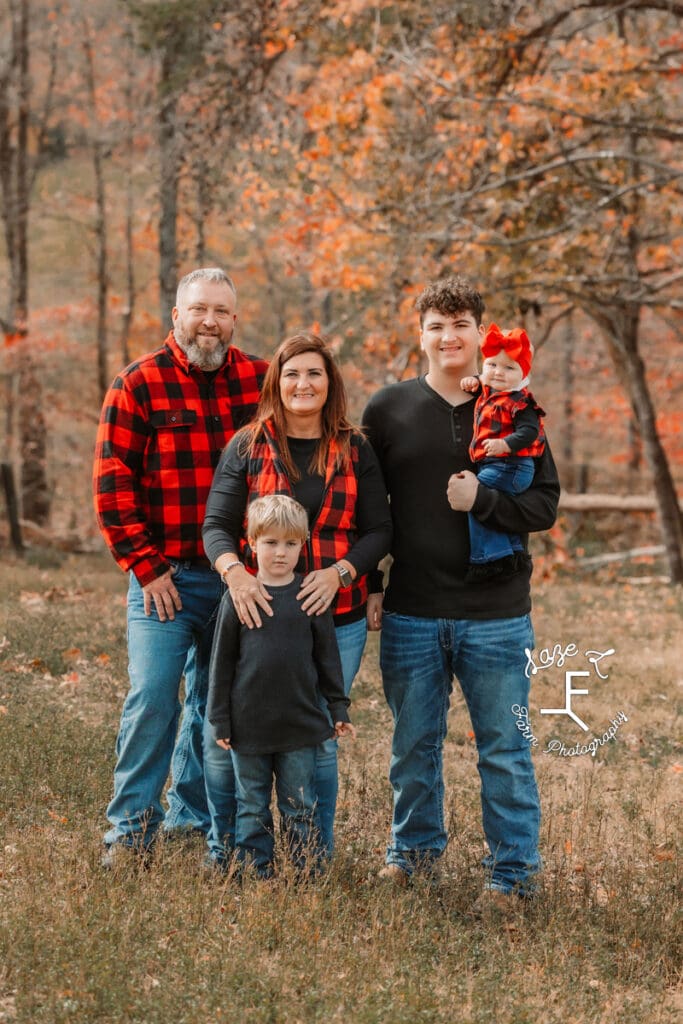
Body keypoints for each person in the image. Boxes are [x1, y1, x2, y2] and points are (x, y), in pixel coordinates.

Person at [362, 276, 560, 916]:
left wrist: (488, 501)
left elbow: (544, 504)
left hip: (496, 615)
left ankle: (512, 877)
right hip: (412, 611)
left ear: (481, 333)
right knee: (413, 743)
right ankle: (414, 857)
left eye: (461, 325)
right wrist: (369, 583)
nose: (449, 337)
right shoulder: (387, 410)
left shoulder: (517, 407)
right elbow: (368, 510)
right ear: (420, 336)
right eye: (436, 326)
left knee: (503, 748)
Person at [93, 267, 268, 867]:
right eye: (199, 310)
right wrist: (148, 569)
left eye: (221, 311)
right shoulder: (138, 384)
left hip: (237, 578)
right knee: (153, 697)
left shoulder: (261, 380)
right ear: (176, 316)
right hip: (162, 576)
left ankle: (190, 818)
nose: (210, 322)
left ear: (235, 320)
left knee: (213, 702)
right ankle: (128, 834)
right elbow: (113, 487)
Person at [202, 331, 391, 866]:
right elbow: (216, 525)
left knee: (318, 736)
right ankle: (234, 853)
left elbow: (380, 529)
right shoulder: (248, 444)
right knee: (235, 733)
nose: (303, 383)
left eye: (314, 373)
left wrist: (341, 572)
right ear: (276, 383)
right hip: (257, 609)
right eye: (292, 374)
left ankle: (314, 860)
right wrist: (237, 575)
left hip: (337, 615)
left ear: (329, 382)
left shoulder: (355, 447)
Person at [207, 495, 356, 878]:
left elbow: (327, 660)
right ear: (252, 544)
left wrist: (338, 709)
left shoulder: (310, 597)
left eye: (290, 544)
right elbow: (221, 664)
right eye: (270, 543)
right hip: (248, 728)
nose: (280, 553)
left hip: (299, 727)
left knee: (300, 805)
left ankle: (305, 872)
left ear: (302, 546)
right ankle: (256, 872)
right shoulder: (237, 598)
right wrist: (220, 720)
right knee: (251, 805)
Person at [460, 322, 546, 581]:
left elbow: (529, 431)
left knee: (475, 497)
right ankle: (514, 552)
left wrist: (505, 444)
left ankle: (487, 559)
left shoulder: (520, 401)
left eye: (509, 368)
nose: (498, 372)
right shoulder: (489, 391)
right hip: (499, 466)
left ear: (522, 375)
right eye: (492, 365)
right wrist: (473, 380)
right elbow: (483, 381)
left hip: (513, 466)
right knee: (489, 503)